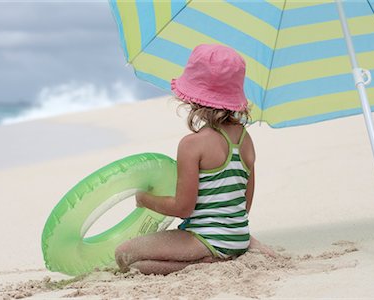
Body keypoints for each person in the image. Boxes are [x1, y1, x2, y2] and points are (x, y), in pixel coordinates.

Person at [115, 44, 275, 275]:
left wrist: (144, 199)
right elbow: (244, 204)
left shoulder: (192, 144)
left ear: (193, 98)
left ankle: (210, 258)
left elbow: (183, 208)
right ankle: (223, 253)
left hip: (205, 239)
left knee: (124, 255)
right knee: (138, 266)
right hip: (239, 236)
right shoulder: (245, 139)